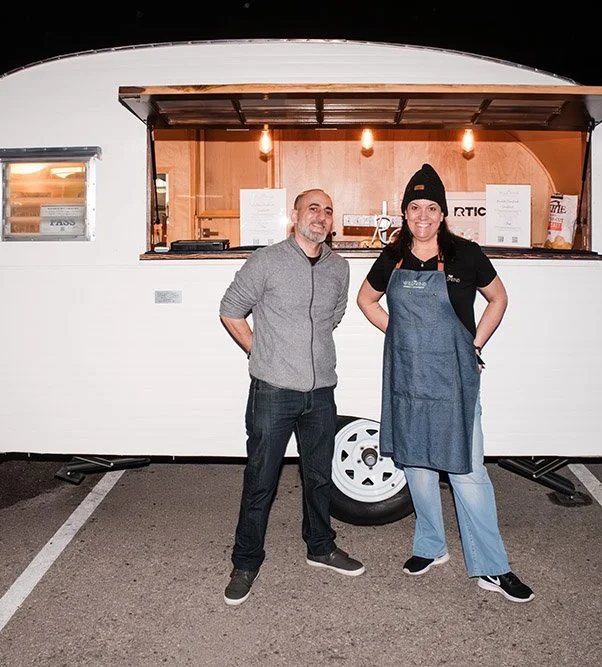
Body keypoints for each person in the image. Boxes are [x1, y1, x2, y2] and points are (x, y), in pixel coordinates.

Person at [356, 164, 534, 603]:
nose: (422, 215)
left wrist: (474, 342)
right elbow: (365, 298)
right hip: (408, 376)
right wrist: (394, 330)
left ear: (442, 213)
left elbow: (499, 298)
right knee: (416, 465)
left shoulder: (466, 255)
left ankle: (493, 566)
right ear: (405, 212)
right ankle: (431, 547)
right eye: (414, 207)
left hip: (454, 377)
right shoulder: (392, 256)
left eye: (431, 207)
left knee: (468, 472)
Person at [219, 188, 362, 606]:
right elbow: (230, 309)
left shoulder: (340, 267)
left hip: (321, 392)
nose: (320, 216)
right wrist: (259, 350)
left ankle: (320, 547)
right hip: (273, 391)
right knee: (260, 481)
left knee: (319, 478)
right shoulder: (266, 260)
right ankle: (246, 561)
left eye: (328, 211)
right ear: (295, 215)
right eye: (312, 208)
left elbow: (333, 316)